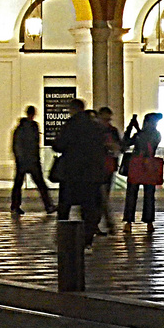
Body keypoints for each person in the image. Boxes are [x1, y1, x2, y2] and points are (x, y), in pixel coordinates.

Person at [52, 101, 105, 247]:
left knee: (65, 205)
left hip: (71, 171)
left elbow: (58, 145)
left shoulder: (70, 125)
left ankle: (63, 235)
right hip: (90, 172)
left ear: (73, 109)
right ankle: (87, 238)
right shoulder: (95, 126)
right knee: (88, 207)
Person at [10, 106, 54, 214]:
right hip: (30, 160)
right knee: (39, 183)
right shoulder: (32, 127)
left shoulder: (22, 127)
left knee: (19, 184)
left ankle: (15, 205)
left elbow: (17, 145)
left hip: (26, 160)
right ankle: (48, 205)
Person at [121, 112, 162, 226]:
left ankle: (130, 221)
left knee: (132, 194)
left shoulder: (147, 134)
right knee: (148, 194)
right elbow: (125, 143)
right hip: (147, 166)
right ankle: (147, 222)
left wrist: (134, 128)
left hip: (137, 165)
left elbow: (131, 142)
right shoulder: (153, 134)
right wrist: (132, 128)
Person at [95, 107, 122, 233]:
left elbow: (119, 146)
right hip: (100, 166)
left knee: (103, 195)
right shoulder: (98, 131)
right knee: (101, 196)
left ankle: (102, 222)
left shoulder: (111, 131)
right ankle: (107, 221)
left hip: (108, 166)